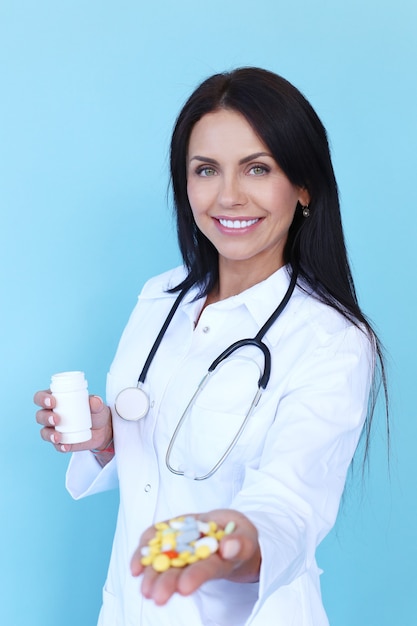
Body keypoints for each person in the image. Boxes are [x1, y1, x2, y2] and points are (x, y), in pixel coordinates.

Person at [34, 67, 386, 626]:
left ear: (303, 185)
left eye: (257, 168)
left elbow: (290, 504)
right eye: (206, 170)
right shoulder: (161, 298)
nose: (228, 196)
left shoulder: (332, 340)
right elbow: (166, 463)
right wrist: (107, 440)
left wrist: (238, 541)